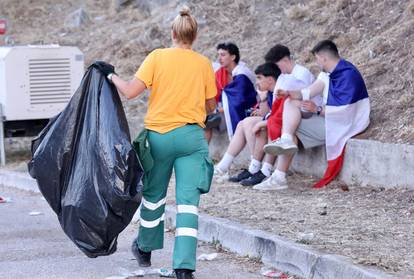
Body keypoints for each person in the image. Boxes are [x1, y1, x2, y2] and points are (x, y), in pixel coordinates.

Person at [96, 8, 216, 279]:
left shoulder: (157, 57)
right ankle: (184, 268)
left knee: (153, 197)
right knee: (188, 204)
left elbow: (129, 92)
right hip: (191, 139)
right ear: (194, 36)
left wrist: (110, 75)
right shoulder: (204, 64)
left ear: (172, 33)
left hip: (159, 138)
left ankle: (145, 248)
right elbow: (211, 105)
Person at [257, 39, 370, 190]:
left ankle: (278, 177)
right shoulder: (326, 74)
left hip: (344, 125)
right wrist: (288, 93)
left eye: (317, 59)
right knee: (290, 104)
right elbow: (308, 92)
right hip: (328, 119)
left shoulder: (348, 74)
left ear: (323, 58)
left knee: (291, 127)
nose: (317, 63)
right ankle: (280, 168)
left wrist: (317, 110)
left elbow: (346, 112)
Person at [214, 62, 280, 185]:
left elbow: (277, 115)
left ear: (270, 79)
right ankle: (225, 166)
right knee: (243, 123)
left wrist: (261, 122)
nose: (257, 82)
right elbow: (265, 113)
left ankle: (257, 167)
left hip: (283, 123)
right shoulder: (269, 92)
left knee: (252, 124)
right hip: (274, 120)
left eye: (260, 78)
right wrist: (263, 98)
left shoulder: (279, 90)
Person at [207, 42, 257, 141]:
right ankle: (201, 155)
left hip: (246, 111)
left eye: (223, 55)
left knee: (206, 121)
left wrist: (218, 109)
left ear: (233, 57)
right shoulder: (219, 73)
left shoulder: (243, 74)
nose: (219, 58)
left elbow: (240, 100)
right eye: (218, 55)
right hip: (223, 110)